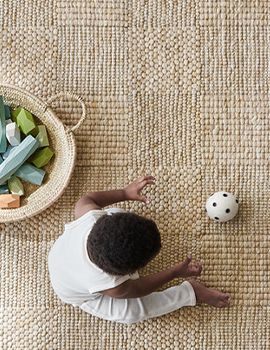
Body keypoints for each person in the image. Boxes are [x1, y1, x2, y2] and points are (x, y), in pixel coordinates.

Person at [48, 176, 230, 324]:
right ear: (127, 273)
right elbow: (140, 287)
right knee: (132, 313)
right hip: (79, 294)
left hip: (62, 256)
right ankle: (191, 292)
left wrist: (124, 192)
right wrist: (175, 272)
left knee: (114, 210)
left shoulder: (89, 217)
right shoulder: (113, 286)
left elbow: (89, 199)